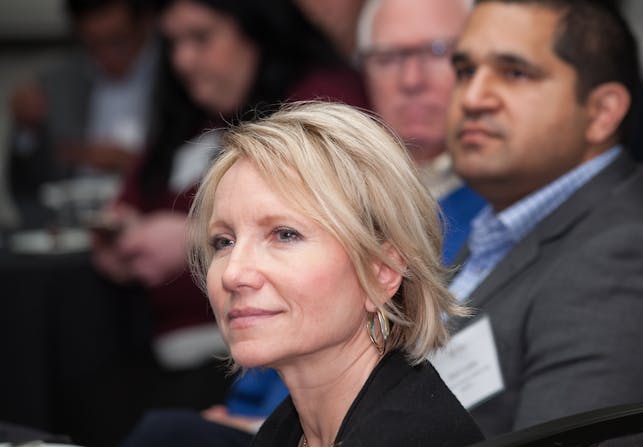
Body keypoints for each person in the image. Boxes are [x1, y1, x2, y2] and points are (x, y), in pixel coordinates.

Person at [443, 1, 643, 445]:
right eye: (465, 71)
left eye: (515, 73)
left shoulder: (630, 267)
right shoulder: (499, 224)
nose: (474, 97)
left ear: (601, 112)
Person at [84, 1, 367, 445]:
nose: (183, 59)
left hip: (258, 362)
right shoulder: (191, 108)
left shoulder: (318, 103)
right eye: (173, 42)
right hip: (166, 348)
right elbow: (131, 194)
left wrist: (198, 241)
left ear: (257, 30)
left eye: (201, 38)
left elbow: (328, 225)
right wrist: (119, 234)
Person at [187, 101, 485, 447]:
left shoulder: (413, 437)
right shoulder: (286, 431)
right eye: (224, 241)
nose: (233, 273)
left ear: (382, 272)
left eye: (284, 234)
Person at [356, 0, 485, 265]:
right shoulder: (338, 192)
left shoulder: (515, 193)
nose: (411, 80)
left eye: (438, 52)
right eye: (387, 58)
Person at [8, 0, 157, 198]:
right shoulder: (57, 83)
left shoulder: (179, 76)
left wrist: (137, 164)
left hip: (156, 212)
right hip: (72, 215)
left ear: (146, 23)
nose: (106, 56)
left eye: (117, 41)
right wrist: (26, 131)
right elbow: (27, 187)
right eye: (93, 45)